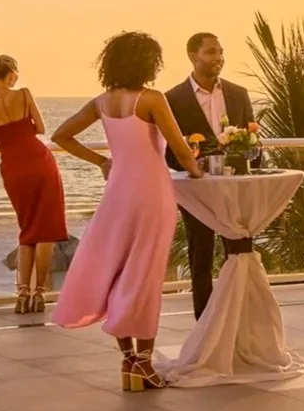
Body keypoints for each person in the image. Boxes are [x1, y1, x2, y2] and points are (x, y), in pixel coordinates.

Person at [51, 32, 204, 392]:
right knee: (146, 275)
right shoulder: (151, 99)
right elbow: (181, 151)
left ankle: (129, 362)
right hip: (151, 193)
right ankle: (145, 365)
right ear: (147, 63)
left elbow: (61, 135)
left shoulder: (102, 102)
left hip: (118, 192)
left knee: (116, 271)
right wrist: (198, 172)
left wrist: (102, 162)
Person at [165, 32, 256, 320]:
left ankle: (242, 317)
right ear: (193, 56)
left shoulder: (238, 93)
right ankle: (204, 323)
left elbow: (255, 141)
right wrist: (194, 163)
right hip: (197, 190)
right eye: (211, 52)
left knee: (240, 251)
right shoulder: (172, 99)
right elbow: (168, 152)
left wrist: (248, 153)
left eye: (220, 52)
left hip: (235, 188)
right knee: (200, 254)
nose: (219, 58)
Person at [0, 54, 68, 314]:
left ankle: (21, 295)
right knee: (46, 232)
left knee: (27, 232)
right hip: (40, 163)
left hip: (13, 168)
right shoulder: (24, 95)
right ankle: (39, 295)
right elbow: (40, 128)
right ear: (11, 74)